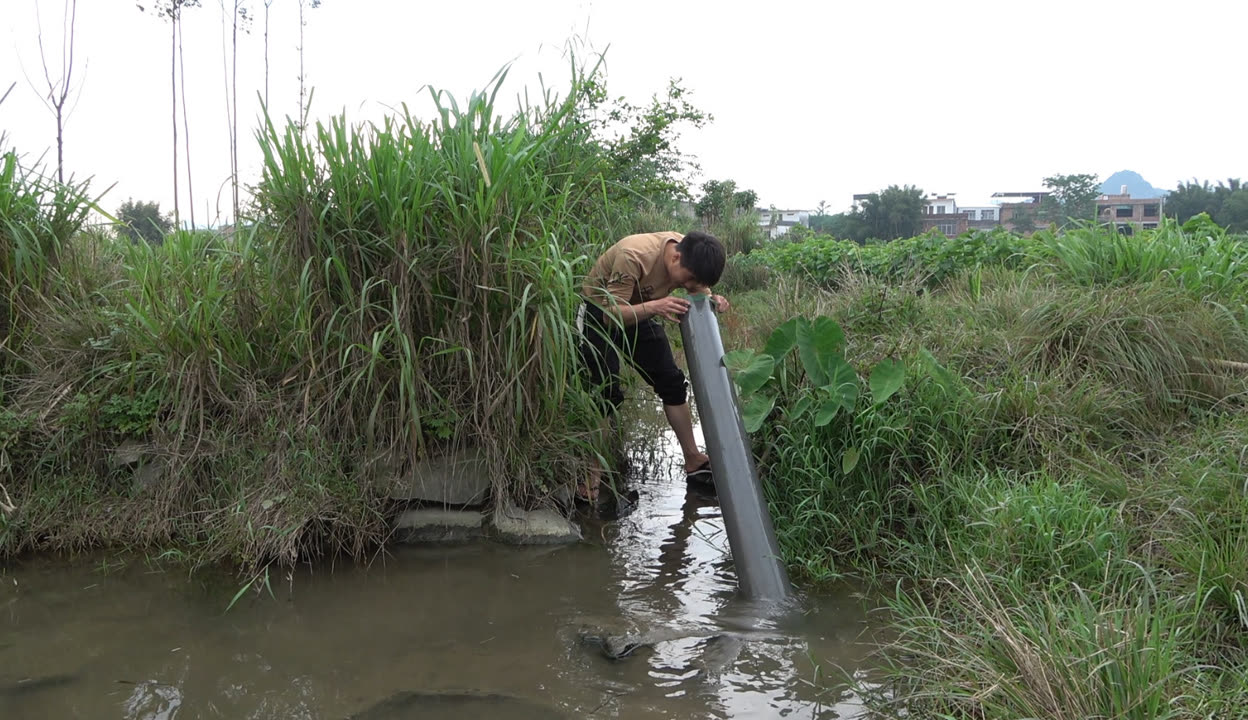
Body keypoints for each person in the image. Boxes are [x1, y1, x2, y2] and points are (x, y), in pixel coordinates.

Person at [578, 230, 730, 502]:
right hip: (599, 313)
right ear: (675, 257)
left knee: (672, 382)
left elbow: (699, 286)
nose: (691, 285)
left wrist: (713, 299)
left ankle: (693, 459)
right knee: (605, 393)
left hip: (641, 309)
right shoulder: (634, 255)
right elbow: (610, 316)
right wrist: (656, 306)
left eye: (698, 281)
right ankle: (590, 480)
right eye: (690, 280)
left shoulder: (691, 256)